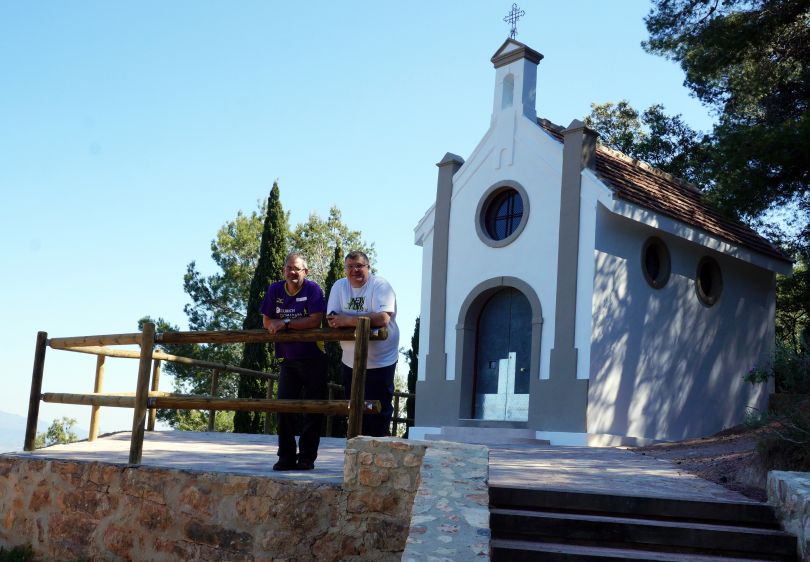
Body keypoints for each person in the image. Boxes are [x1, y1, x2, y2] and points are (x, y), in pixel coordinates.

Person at [260, 252, 327, 471]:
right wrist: (275, 324)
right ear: (284, 271)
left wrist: (286, 323)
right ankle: (286, 456)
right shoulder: (275, 290)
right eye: (289, 268)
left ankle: (307, 457)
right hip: (287, 359)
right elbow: (267, 320)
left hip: (314, 358)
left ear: (305, 272)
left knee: (313, 410)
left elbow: (315, 319)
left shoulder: (313, 289)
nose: (292, 272)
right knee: (284, 407)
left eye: (297, 268)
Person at [326, 250, 399, 437]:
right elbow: (332, 320)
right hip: (350, 361)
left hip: (381, 361)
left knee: (379, 412)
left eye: (359, 266)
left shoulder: (381, 285)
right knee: (354, 409)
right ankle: (357, 454)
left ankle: (377, 456)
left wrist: (348, 320)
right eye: (350, 267)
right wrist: (355, 319)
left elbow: (382, 318)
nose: (354, 270)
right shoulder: (339, 286)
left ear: (368, 267)